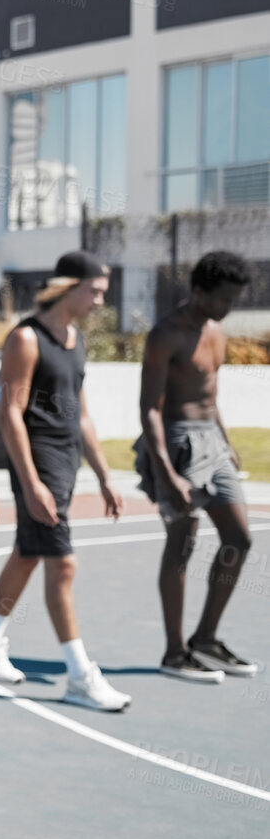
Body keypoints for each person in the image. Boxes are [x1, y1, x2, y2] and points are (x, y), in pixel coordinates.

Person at [0, 252, 131, 710]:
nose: (100, 300)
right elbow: (9, 412)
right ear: (67, 286)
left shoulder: (75, 340)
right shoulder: (26, 339)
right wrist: (31, 482)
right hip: (36, 465)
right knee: (63, 564)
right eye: (94, 290)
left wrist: (104, 476)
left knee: (29, 554)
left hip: (65, 463)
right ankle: (80, 675)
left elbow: (83, 416)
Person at [135, 250, 257, 682]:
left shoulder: (216, 330)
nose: (227, 308)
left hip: (212, 441)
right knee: (182, 544)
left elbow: (211, 392)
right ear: (199, 290)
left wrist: (225, 441)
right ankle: (175, 651)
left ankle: (206, 638)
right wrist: (165, 472)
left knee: (239, 539)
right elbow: (149, 408)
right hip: (177, 442)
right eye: (222, 298)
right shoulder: (166, 334)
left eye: (233, 300)